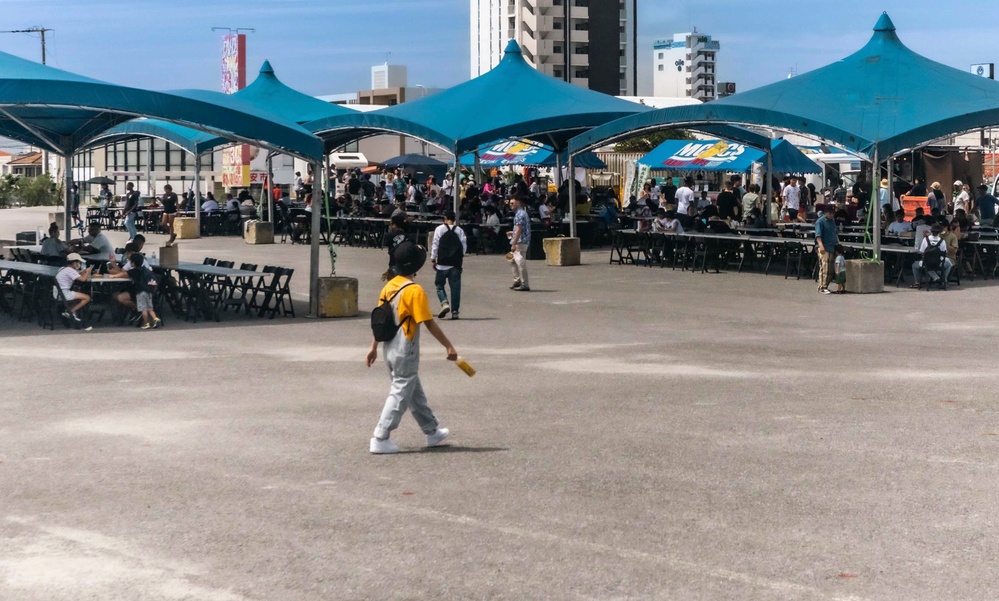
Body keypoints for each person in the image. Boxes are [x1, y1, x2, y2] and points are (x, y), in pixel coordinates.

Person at [366, 241, 458, 454]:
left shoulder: (389, 286)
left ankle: (431, 430)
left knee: (412, 389)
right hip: (406, 347)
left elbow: (379, 320)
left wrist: (373, 347)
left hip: (388, 346)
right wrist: (448, 346)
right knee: (400, 391)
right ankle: (380, 436)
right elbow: (429, 322)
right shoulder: (415, 291)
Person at [430, 210, 466, 320]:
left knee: (439, 285)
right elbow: (464, 247)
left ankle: (444, 302)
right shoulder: (459, 230)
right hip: (455, 264)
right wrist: (460, 257)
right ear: (454, 220)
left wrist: (433, 259)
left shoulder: (439, 229)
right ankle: (455, 311)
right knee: (455, 288)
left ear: (445, 218)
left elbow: (435, 244)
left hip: (442, 263)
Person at [55, 252, 93, 324]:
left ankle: (70, 311)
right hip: (64, 293)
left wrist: (83, 272)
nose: (79, 264)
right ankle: (71, 311)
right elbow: (83, 279)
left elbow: (77, 276)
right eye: (78, 262)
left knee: (78, 299)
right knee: (87, 297)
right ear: (73, 262)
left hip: (58, 293)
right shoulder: (70, 270)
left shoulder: (63, 269)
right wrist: (88, 271)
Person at [128, 254, 160, 330]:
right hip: (148, 291)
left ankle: (146, 323)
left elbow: (124, 274)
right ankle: (155, 318)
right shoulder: (145, 270)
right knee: (150, 308)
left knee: (143, 309)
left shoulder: (133, 271)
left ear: (133, 263)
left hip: (140, 292)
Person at [508, 194, 531, 292]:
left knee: (520, 262)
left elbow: (519, 230)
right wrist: (512, 233)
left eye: (512, 203)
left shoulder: (519, 214)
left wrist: (514, 243)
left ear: (518, 202)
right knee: (511, 259)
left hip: (520, 241)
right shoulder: (522, 213)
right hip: (522, 240)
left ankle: (524, 283)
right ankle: (517, 280)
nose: (511, 205)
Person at [814, 204, 838, 294]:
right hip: (824, 247)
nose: (831, 215)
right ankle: (822, 287)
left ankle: (826, 285)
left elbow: (835, 233)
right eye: (830, 213)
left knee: (831, 269)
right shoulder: (820, 222)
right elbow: (818, 235)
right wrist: (820, 245)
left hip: (832, 246)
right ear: (825, 212)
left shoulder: (832, 221)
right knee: (825, 268)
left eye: (833, 213)